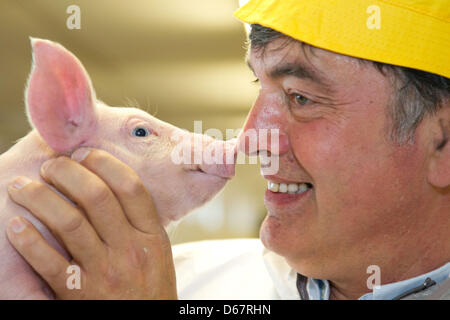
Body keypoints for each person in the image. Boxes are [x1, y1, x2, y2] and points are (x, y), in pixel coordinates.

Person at [4, 0, 450, 300]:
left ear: (443, 143)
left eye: (300, 97)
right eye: (260, 85)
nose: (250, 137)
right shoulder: (165, 283)